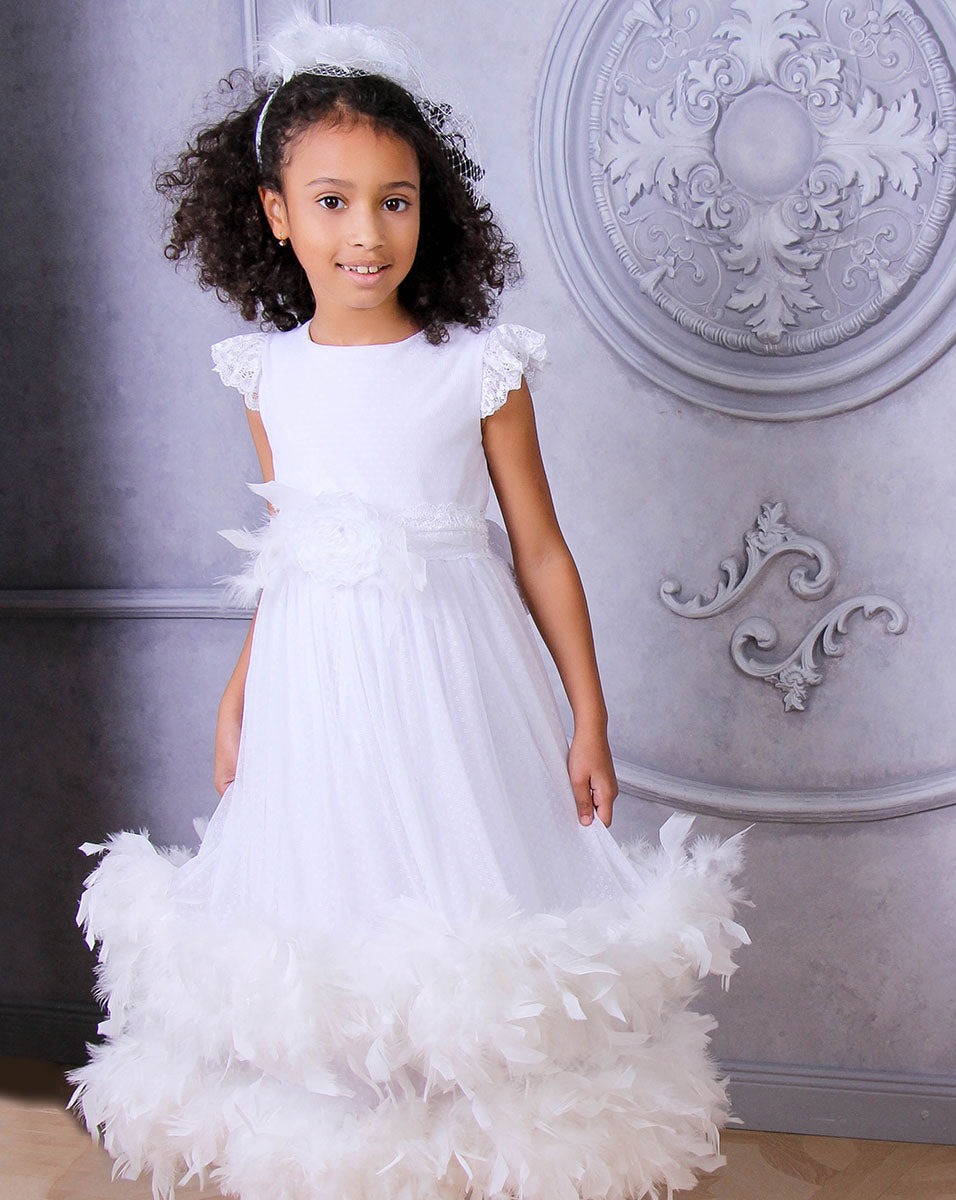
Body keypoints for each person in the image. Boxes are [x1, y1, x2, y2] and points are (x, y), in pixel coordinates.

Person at [66, 11, 753, 1200]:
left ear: (429, 207)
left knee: (462, 904)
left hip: (453, 679)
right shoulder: (267, 372)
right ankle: (349, 1157)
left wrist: (588, 715)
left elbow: (539, 550)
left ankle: (482, 1162)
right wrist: (238, 693)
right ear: (275, 214)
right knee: (327, 907)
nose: (366, 231)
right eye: (331, 201)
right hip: (314, 685)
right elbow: (284, 543)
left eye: (394, 199)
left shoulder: (473, 367)